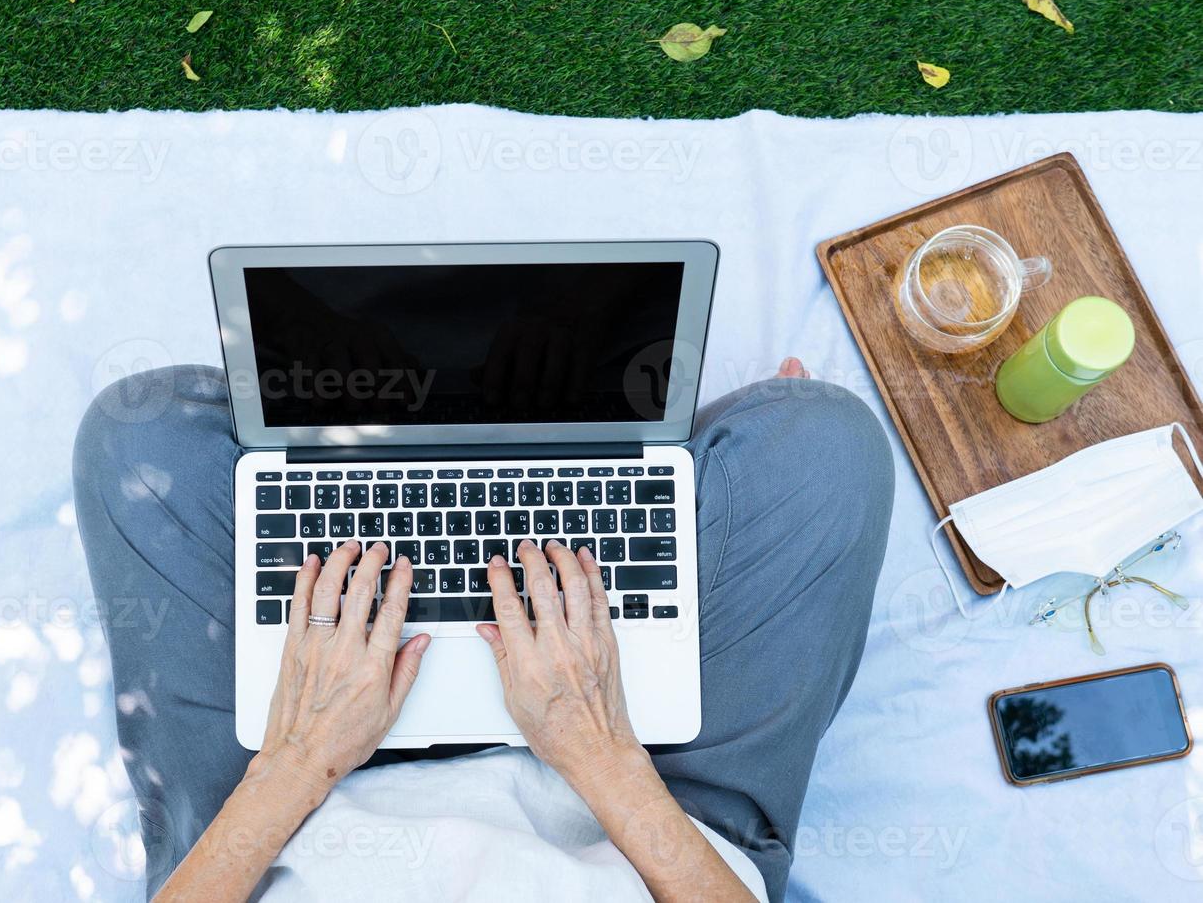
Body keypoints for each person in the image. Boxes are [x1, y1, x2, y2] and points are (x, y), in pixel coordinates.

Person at [72, 356, 894, 901]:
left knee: (139, 430)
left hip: (272, 812)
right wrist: (598, 749)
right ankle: (626, 472)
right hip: (657, 810)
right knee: (818, 434)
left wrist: (301, 756)